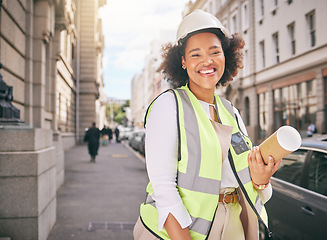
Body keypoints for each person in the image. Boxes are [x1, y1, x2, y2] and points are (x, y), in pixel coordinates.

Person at [133, 10, 281, 240]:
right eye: (195, 54)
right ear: (182, 61)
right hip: (181, 231)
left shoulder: (231, 112)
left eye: (215, 52)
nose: (207, 61)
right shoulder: (169, 105)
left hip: (233, 223)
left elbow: (246, 178)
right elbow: (163, 190)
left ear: (226, 57)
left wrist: (262, 181)